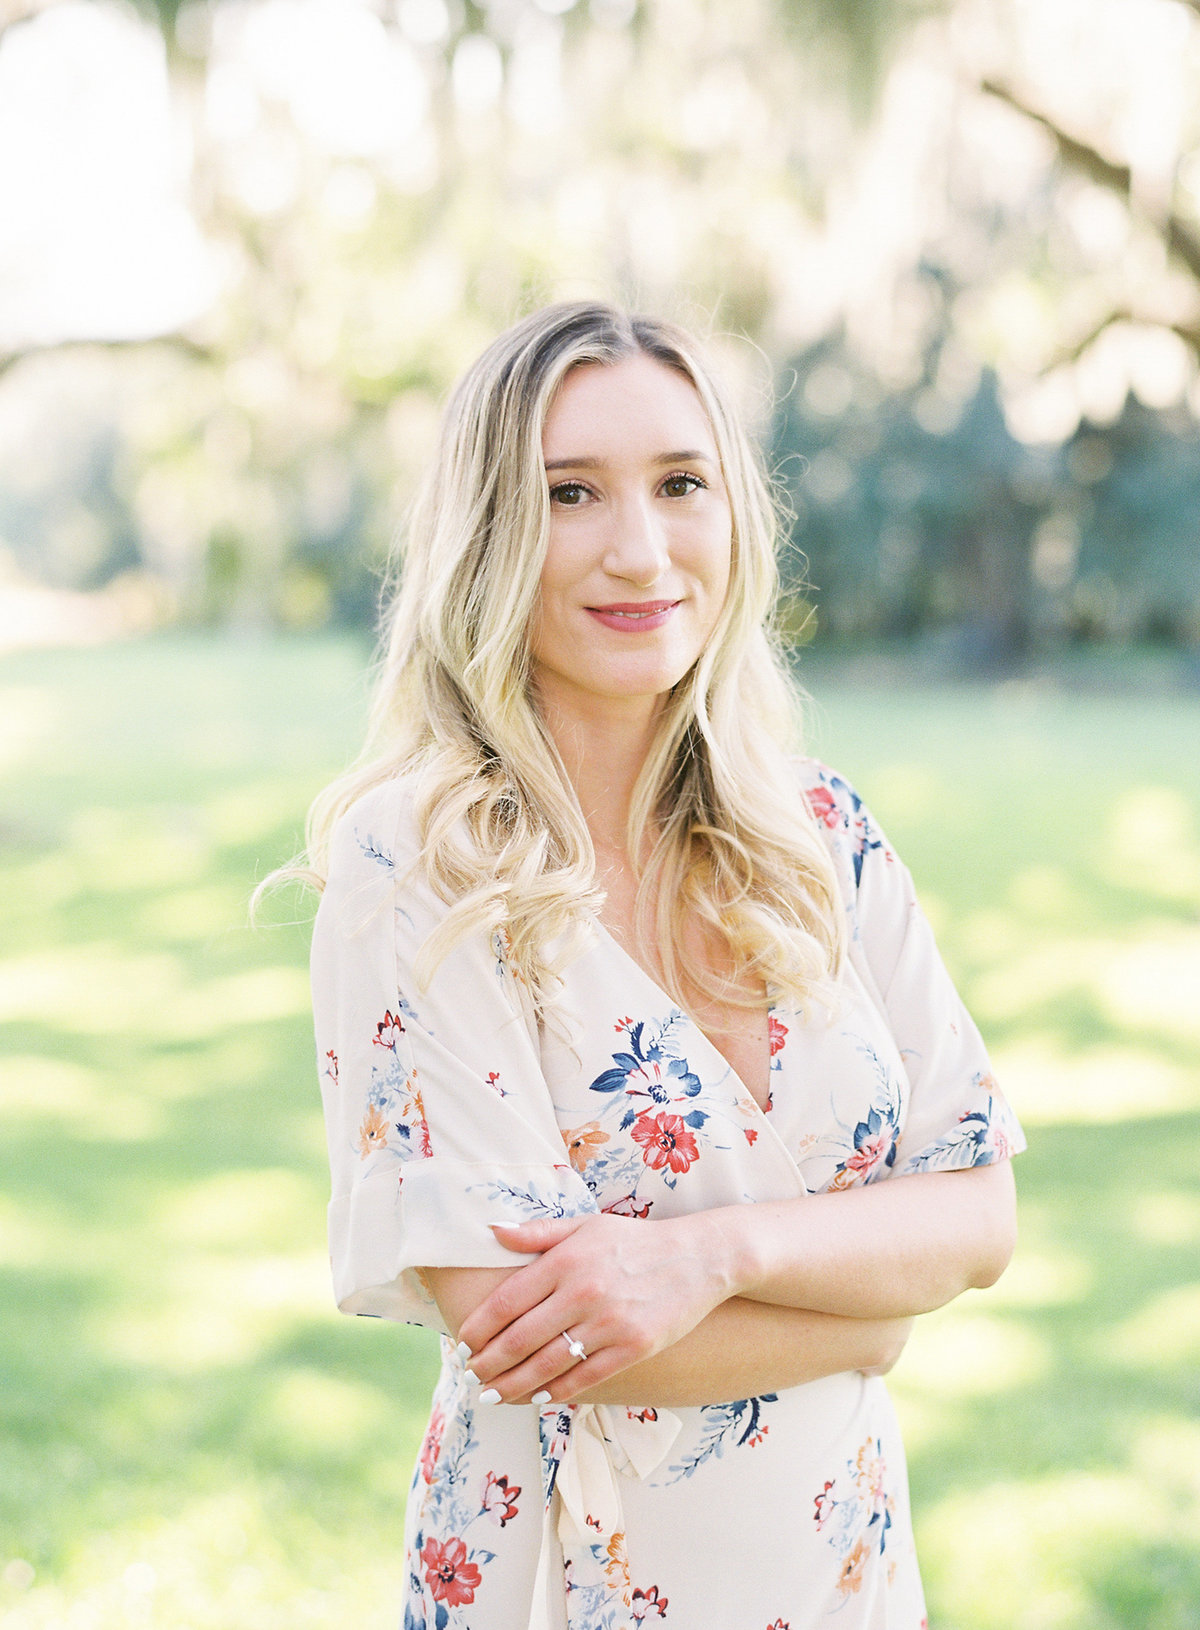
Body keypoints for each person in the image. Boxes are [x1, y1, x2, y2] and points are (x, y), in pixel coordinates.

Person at [303, 301, 1024, 1629]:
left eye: (680, 482)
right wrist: (866, 1314)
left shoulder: (821, 834)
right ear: (488, 535)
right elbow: (523, 1331)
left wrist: (712, 1257)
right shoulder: (416, 864)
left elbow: (978, 1209)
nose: (639, 549)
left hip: (847, 1575)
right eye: (568, 492)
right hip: (569, 1582)